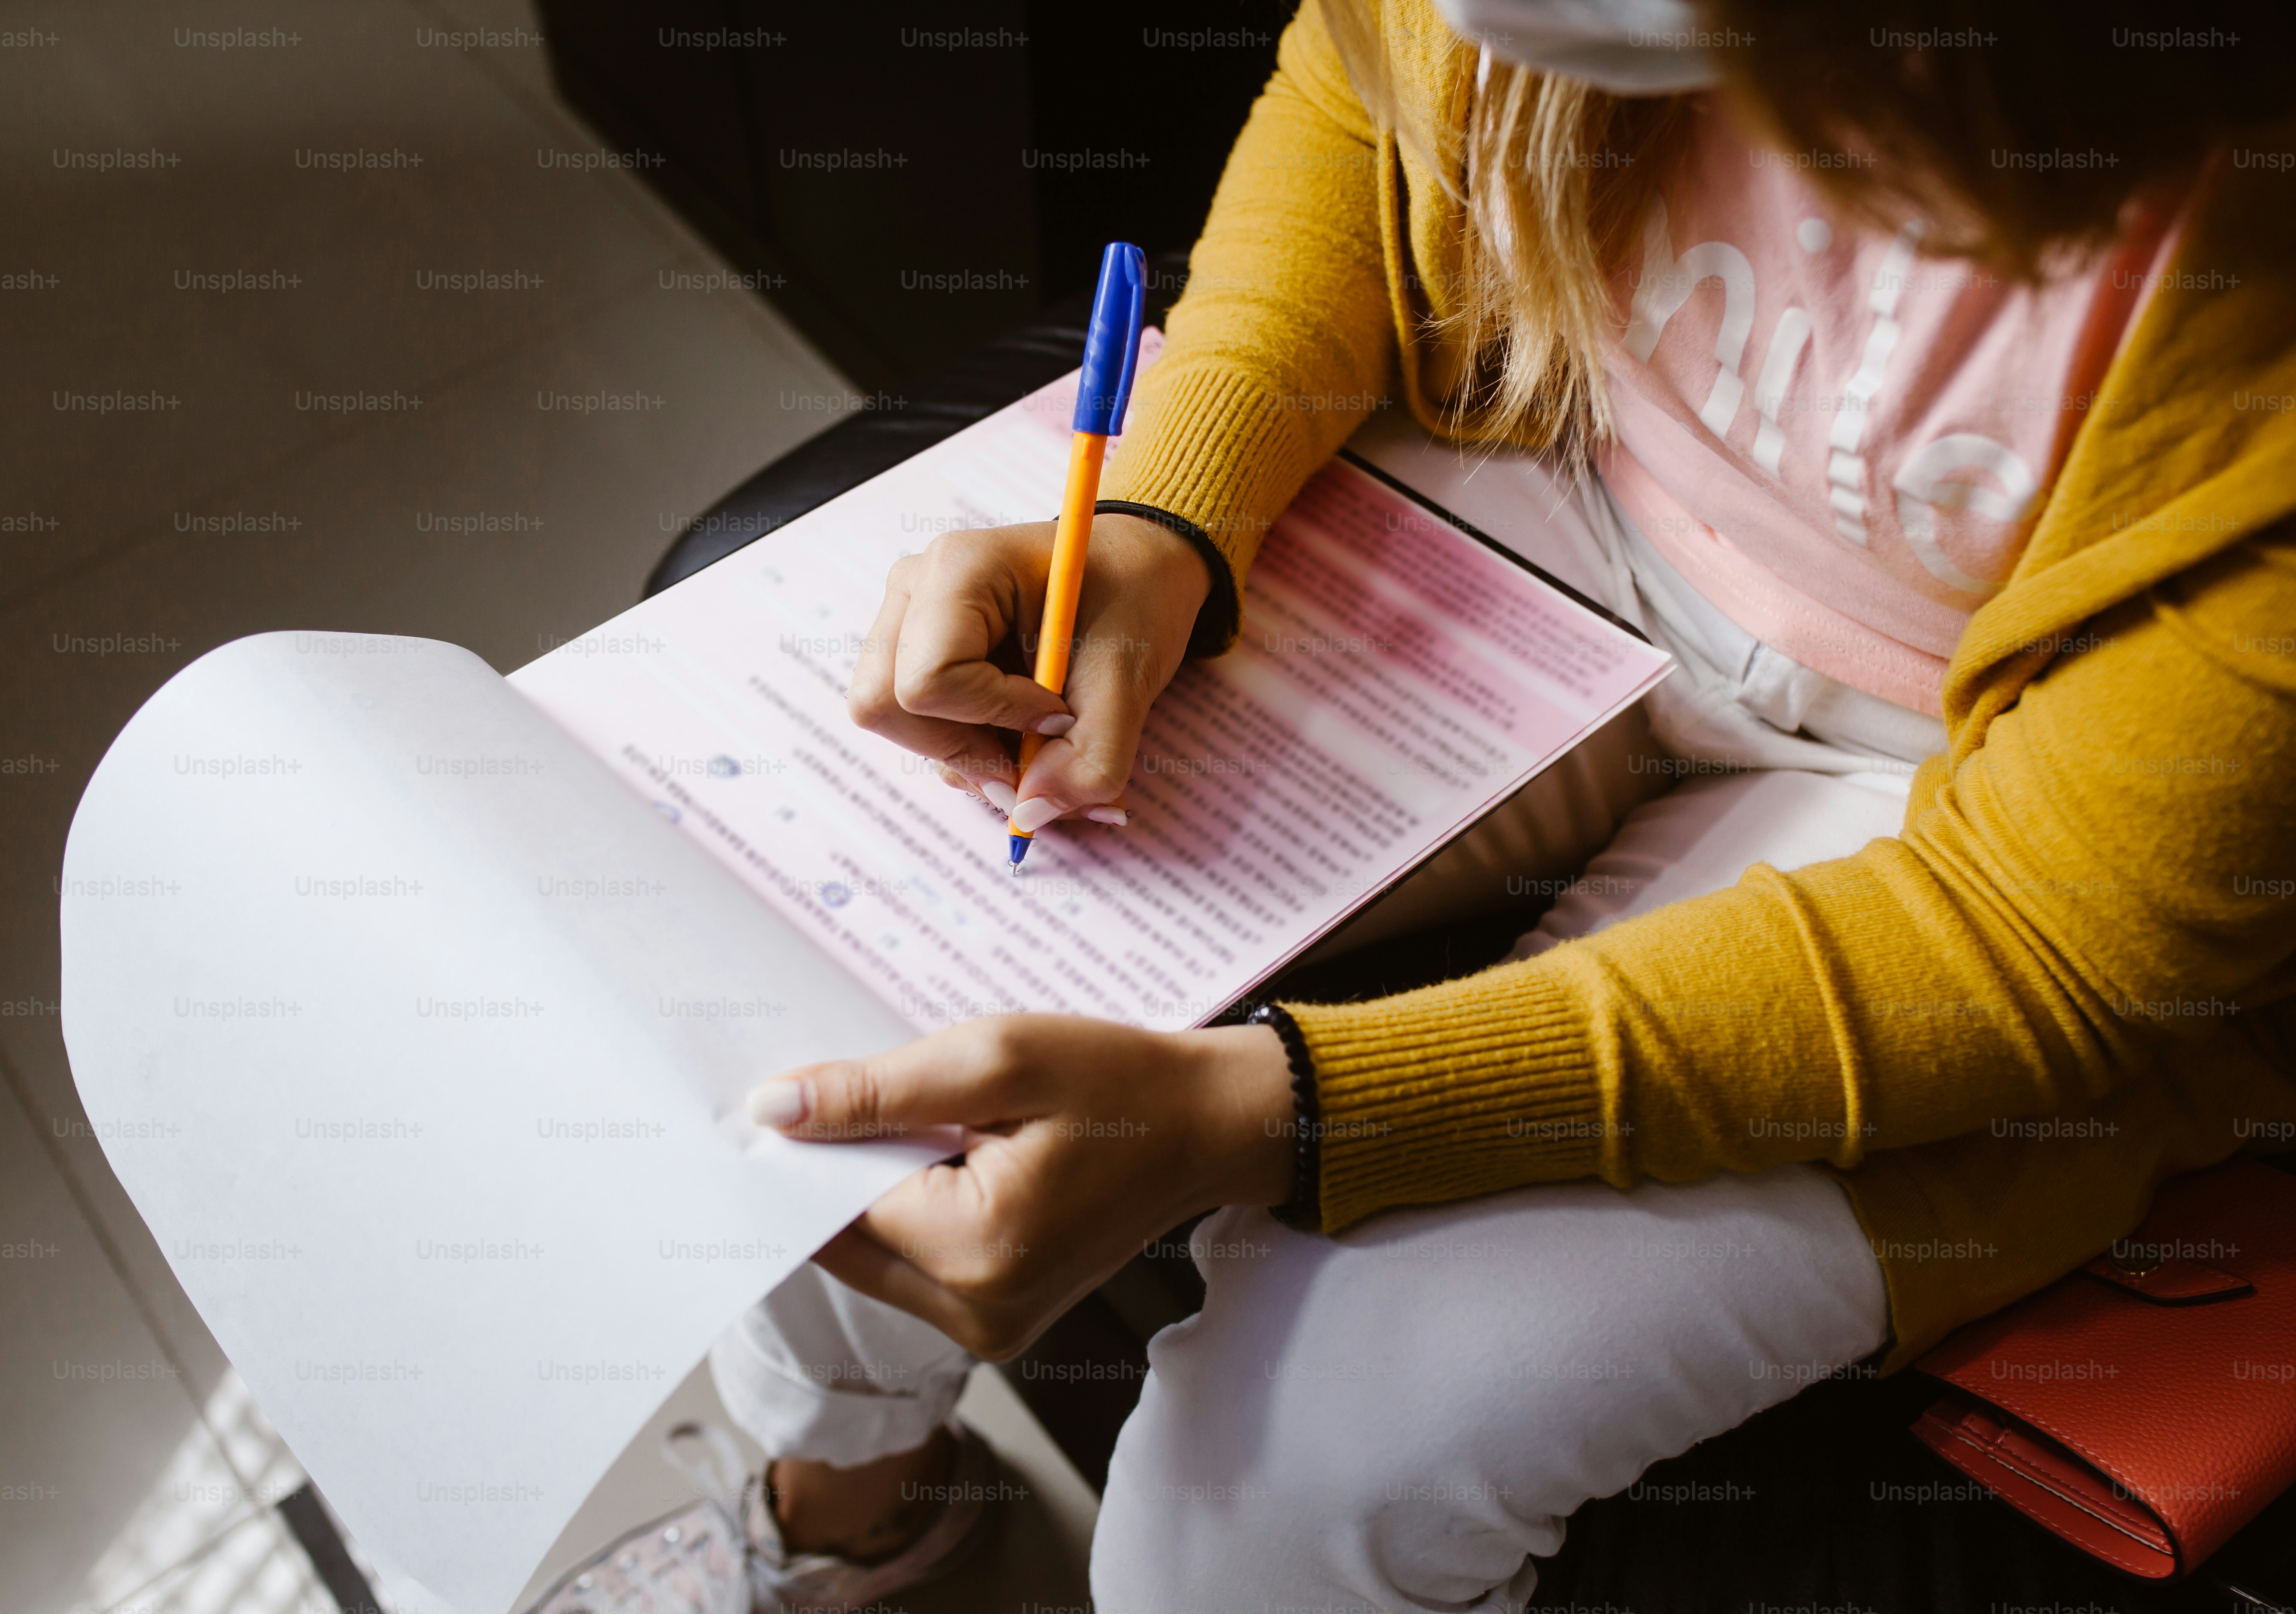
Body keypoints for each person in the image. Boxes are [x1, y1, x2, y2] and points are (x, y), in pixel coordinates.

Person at [688, 0, 2296, 1608]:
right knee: (853, 961)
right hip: (1557, 453)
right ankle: (846, 1514)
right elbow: (1361, 89)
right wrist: (1171, 509)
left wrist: (1286, 1115)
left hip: (1989, 800)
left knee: (1297, 1477)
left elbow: (2050, 939)